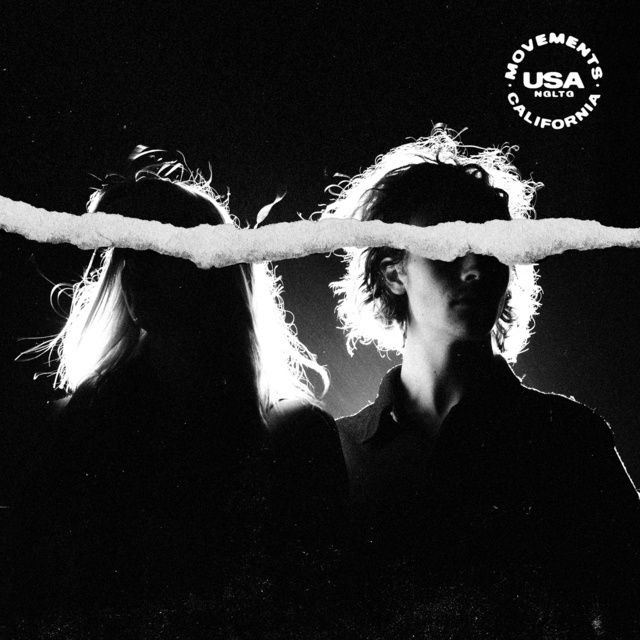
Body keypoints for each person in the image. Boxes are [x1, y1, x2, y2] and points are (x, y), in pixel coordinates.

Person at [322, 126, 640, 635]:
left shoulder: (569, 438)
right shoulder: (335, 453)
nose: (475, 267)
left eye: (491, 244)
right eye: (449, 243)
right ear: (393, 273)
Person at [9, 151, 329, 625]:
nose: (137, 271)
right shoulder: (70, 428)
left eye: (161, 252)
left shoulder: (297, 435)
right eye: (130, 254)